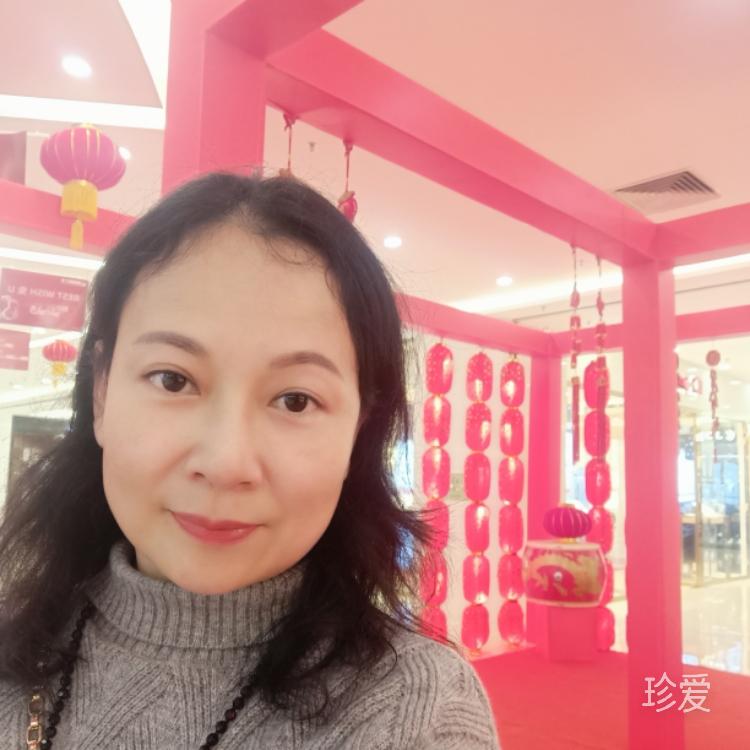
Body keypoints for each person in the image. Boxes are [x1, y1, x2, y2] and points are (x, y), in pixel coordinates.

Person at [0, 173, 500, 749]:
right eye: (173, 379)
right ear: (101, 394)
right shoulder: (17, 650)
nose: (225, 462)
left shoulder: (417, 716)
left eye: (295, 400)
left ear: (359, 431)